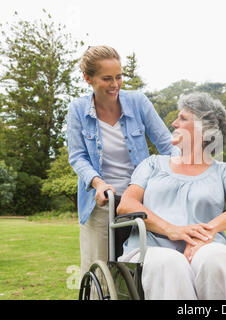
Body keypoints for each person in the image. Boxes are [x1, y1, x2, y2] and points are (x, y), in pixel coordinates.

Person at [117, 92, 226, 300]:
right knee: (172, 263)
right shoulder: (153, 164)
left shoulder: (222, 172)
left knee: (218, 258)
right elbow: (126, 205)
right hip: (151, 249)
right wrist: (173, 230)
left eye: (183, 118)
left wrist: (207, 232)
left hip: (204, 248)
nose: (173, 123)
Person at [66, 45, 178, 278]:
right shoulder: (77, 110)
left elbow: (167, 144)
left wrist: (181, 173)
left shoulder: (138, 102)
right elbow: (78, 157)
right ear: (88, 79)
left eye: (119, 77)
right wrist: (98, 183)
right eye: (107, 78)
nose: (115, 84)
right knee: (99, 272)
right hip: (99, 203)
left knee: (145, 268)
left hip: (140, 198)